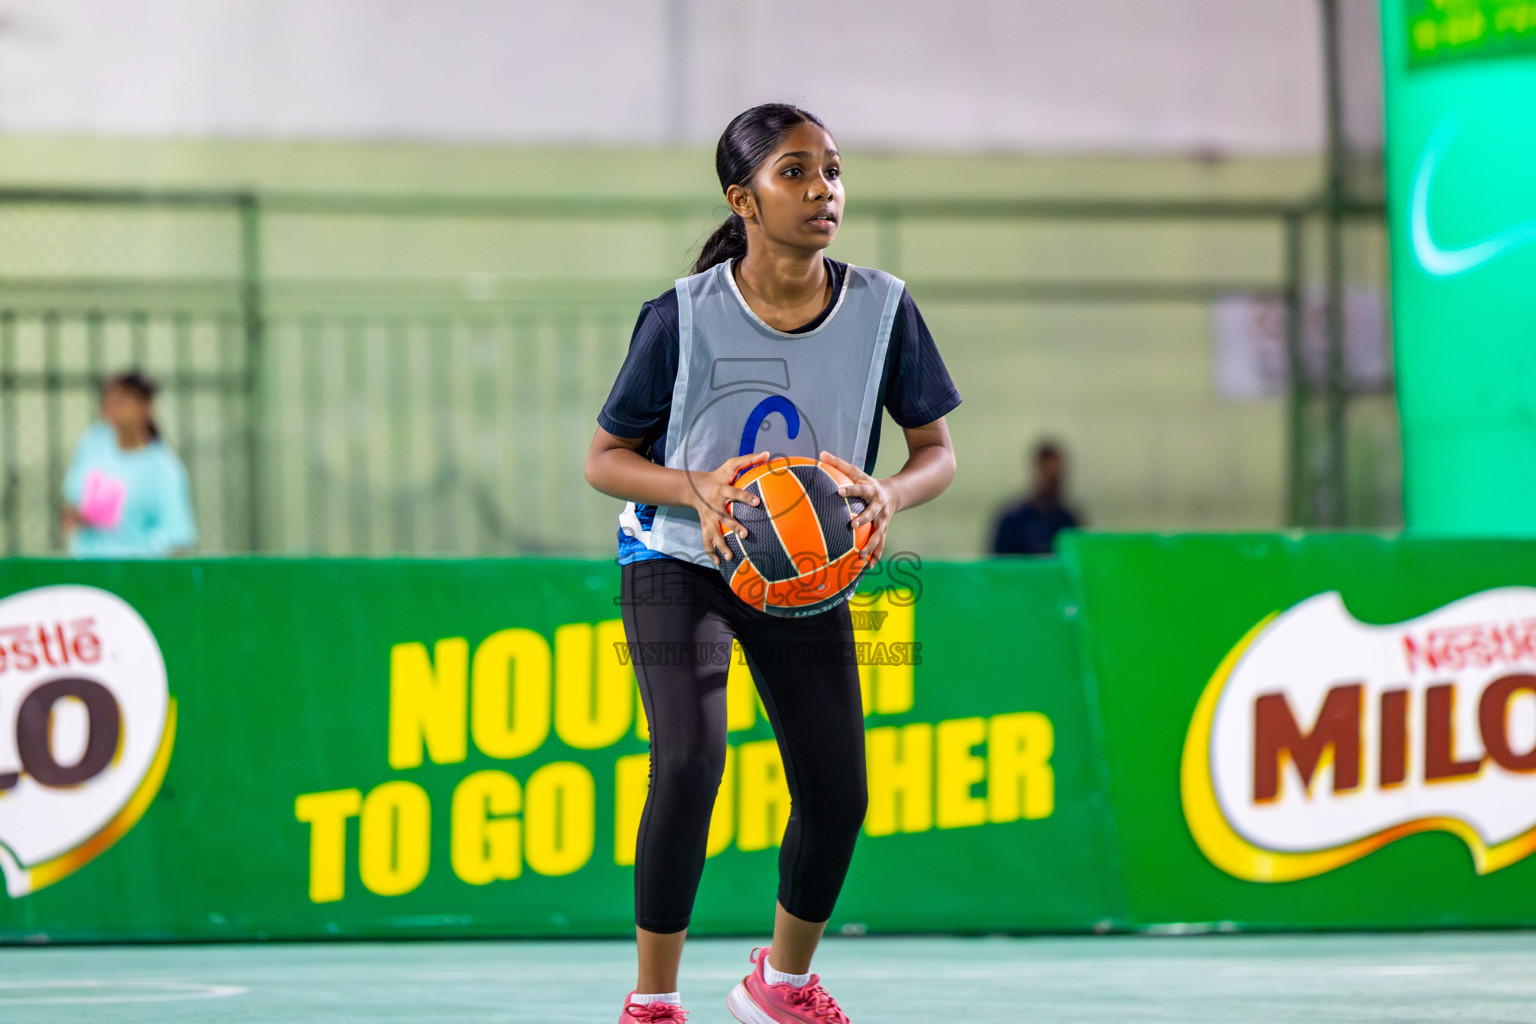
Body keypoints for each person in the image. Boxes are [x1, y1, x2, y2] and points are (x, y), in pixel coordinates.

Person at [584, 103, 960, 1023]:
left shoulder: (883, 307)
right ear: (741, 200)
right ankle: (654, 1001)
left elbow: (937, 451)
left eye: (831, 170)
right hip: (680, 559)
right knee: (689, 763)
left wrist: (890, 495)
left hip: (806, 571)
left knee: (839, 792)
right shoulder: (681, 315)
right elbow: (603, 461)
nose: (821, 189)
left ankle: (779, 984)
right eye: (793, 172)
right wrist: (695, 487)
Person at [61, 370, 197, 557]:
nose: (113, 408)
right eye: (109, 401)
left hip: (135, 575)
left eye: (122, 401)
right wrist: (77, 516)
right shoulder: (93, 443)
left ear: (146, 407)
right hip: (87, 570)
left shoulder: (164, 469)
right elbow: (73, 501)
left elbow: (176, 538)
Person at [990, 440, 1083, 556]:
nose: (1052, 481)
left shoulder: (1068, 521)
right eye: (1047, 474)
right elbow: (997, 565)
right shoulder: (1012, 520)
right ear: (1037, 470)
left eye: (1056, 476)